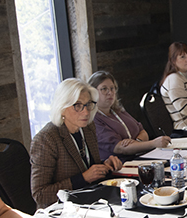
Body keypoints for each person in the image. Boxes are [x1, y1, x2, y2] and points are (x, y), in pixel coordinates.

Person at [30, 78, 123, 209]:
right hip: (63, 210)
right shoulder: (46, 139)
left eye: (88, 104)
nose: (86, 112)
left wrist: (105, 166)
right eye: (77, 105)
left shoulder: (87, 127)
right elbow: (40, 194)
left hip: (92, 201)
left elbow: (87, 166)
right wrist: (83, 179)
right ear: (62, 108)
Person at [88, 71, 170, 161]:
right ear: (93, 92)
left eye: (112, 88)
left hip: (140, 156)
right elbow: (120, 148)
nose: (110, 92)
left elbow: (143, 131)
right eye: (104, 89)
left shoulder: (118, 111)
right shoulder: (94, 119)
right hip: (121, 163)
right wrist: (153, 143)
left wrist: (137, 142)